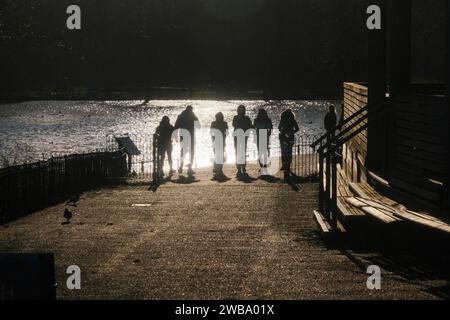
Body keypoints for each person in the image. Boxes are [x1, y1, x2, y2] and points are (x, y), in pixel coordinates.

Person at [174, 105, 200, 175]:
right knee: (191, 152)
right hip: (191, 136)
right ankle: (190, 168)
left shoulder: (180, 116)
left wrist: (176, 136)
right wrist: (195, 116)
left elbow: (176, 126)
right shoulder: (193, 117)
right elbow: (199, 126)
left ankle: (181, 167)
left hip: (183, 136)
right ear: (191, 110)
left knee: (183, 151)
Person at [279, 109, 299, 183]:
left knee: (284, 152)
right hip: (290, 137)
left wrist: (283, 131)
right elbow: (297, 129)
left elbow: (279, 128)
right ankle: (287, 166)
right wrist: (291, 132)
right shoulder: (292, 120)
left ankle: (285, 166)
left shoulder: (283, 120)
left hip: (283, 137)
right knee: (289, 152)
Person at [232, 105, 253, 176]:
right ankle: (240, 167)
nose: (240, 111)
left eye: (241, 110)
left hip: (241, 136)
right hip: (239, 136)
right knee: (239, 151)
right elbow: (250, 126)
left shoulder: (238, 118)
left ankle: (242, 167)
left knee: (241, 151)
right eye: (240, 110)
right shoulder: (244, 118)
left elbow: (235, 125)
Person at [253, 108, 273, 174]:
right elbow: (270, 128)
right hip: (264, 135)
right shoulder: (267, 120)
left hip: (259, 135)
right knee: (264, 152)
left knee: (260, 152)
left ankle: (262, 166)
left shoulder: (256, 120)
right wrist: (268, 134)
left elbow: (254, 128)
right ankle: (263, 166)